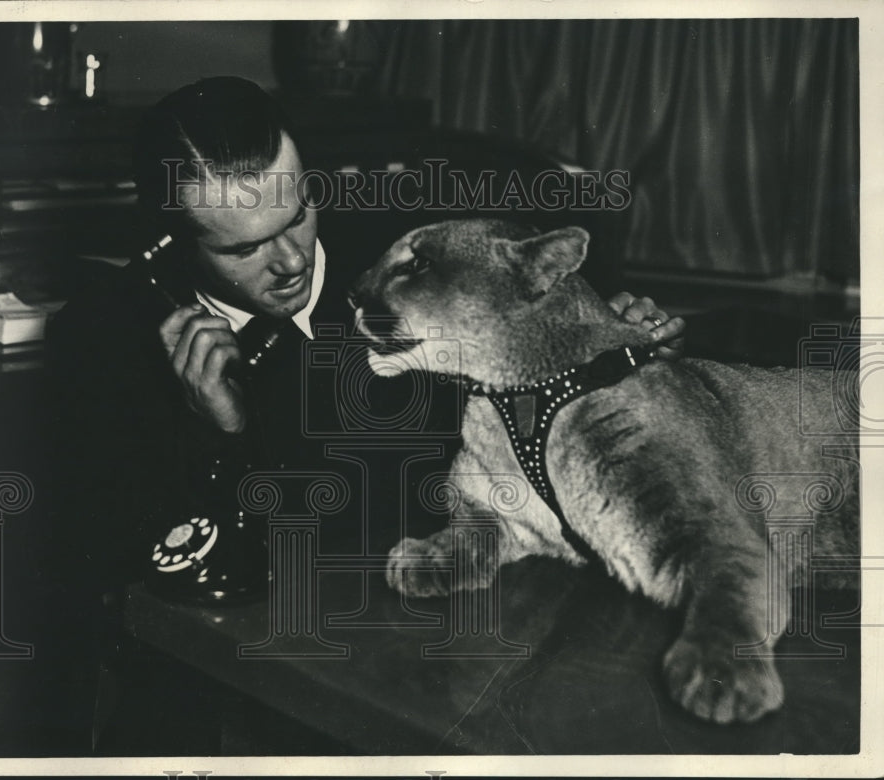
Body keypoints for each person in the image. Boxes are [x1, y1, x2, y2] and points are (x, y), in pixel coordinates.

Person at [49, 76, 686, 595]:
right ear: (173, 244)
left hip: (485, 596)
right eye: (245, 248)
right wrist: (219, 438)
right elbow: (137, 572)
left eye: (298, 215)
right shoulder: (103, 337)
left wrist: (610, 349)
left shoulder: (421, 259)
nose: (294, 261)